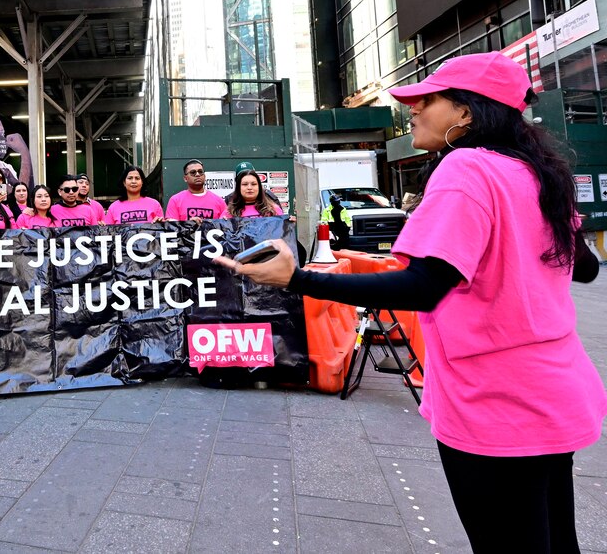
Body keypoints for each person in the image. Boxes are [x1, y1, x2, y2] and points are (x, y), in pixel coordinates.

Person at [215, 52, 605, 553]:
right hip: (558, 392)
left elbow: (421, 286)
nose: (413, 110)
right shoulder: (538, 173)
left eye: (428, 100)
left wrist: (298, 279)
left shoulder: (466, 168)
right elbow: (587, 267)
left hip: (494, 404)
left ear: (466, 112)